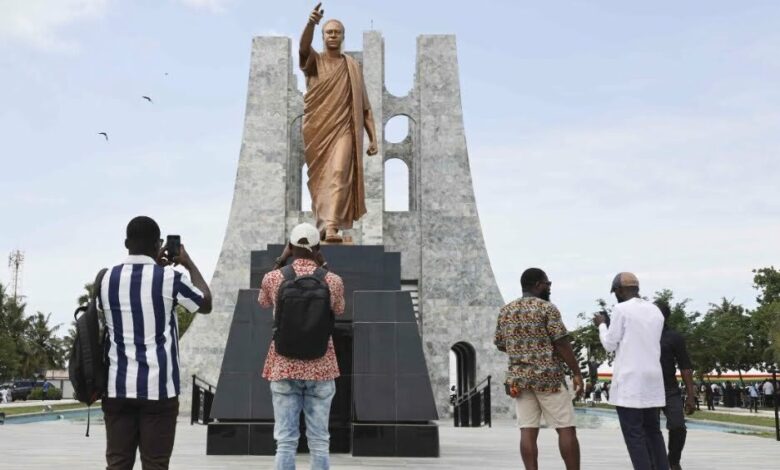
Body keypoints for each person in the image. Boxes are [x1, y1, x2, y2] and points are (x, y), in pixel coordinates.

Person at [99, 216, 212, 470]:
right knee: (156, 464)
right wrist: (187, 263)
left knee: (117, 463)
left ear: (126, 242)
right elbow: (205, 303)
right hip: (159, 390)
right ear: (158, 244)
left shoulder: (106, 279)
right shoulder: (169, 278)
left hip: (117, 388)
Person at [259, 222, 345, 470]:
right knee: (319, 441)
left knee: (285, 441)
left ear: (290, 247)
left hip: (284, 365)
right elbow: (339, 309)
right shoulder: (333, 281)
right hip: (322, 366)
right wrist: (324, 265)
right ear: (317, 247)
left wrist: (279, 260)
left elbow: (263, 301)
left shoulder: (274, 278)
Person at [299, 3, 379, 242]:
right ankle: (323, 224)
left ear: (343, 37)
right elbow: (303, 49)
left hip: (344, 128)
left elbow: (364, 107)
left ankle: (332, 227)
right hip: (317, 130)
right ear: (323, 36)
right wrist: (310, 24)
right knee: (319, 181)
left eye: (337, 32)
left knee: (339, 172)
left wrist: (373, 137)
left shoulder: (352, 67)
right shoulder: (315, 62)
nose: (333, 35)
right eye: (328, 32)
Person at [494, 268, 584, 470]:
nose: (549, 287)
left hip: (519, 380)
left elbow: (500, 343)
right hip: (548, 379)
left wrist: (521, 348)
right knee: (565, 428)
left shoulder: (506, 311)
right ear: (537, 285)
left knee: (527, 430)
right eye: (547, 283)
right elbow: (561, 343)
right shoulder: (547, 309)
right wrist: (577, 372)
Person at [594, 272, 668, 470]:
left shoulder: (621, 309)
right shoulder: (655, 311)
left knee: (634, 435)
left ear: (619, 290)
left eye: (615, 292)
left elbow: (610, 344)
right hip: (653, 380)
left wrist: (602, 325)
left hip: (630, 382)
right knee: (654, 432)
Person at [655, 300, 696, 470]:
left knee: (678, 426)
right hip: (647, 389)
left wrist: (691, 396)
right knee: (650, 429)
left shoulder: (674, 337)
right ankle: (655, 461)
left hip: (669, 389)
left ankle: (673, 461)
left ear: (663, 317)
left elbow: (685, 366)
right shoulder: (642, 336)